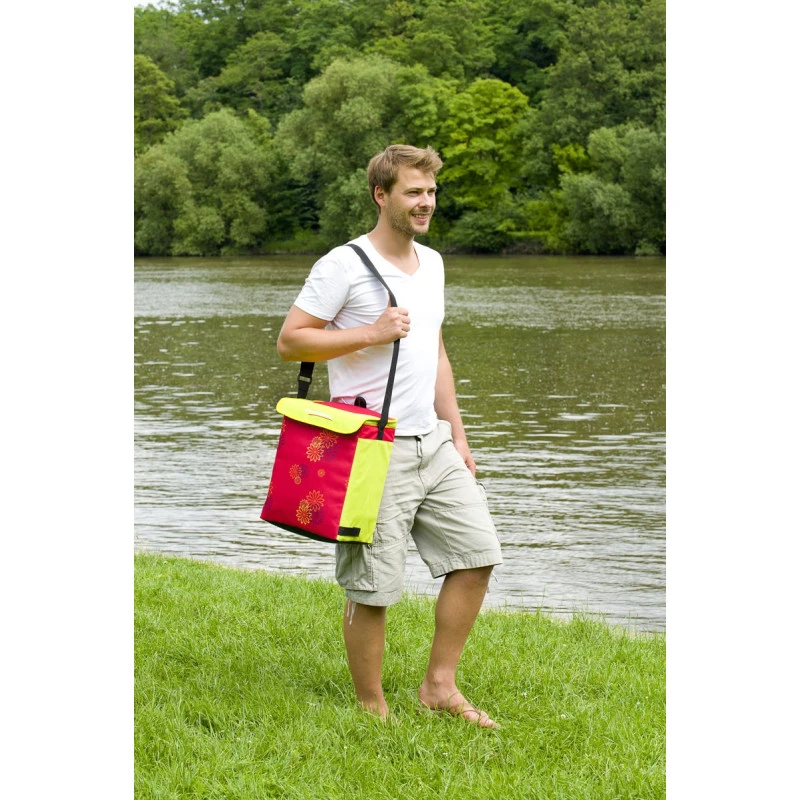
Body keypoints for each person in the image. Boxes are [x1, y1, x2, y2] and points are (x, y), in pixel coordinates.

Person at [276, 144, 503, 728]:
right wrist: (371, 333)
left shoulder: (434, 263)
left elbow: (436, 351)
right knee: (372, 585)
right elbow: (291, 341)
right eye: (413, 192)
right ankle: (371, 707)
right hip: (372, 446)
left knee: (477, 555)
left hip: (433, 442)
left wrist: (458, 434)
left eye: (431, 192)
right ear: (382, 195)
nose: (426, 202)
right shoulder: (342, 265)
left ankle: (439, 686)